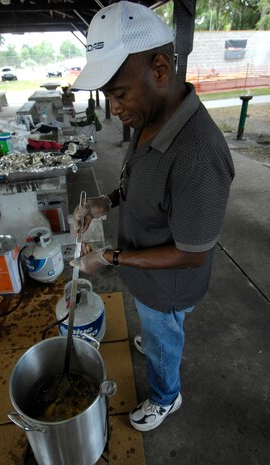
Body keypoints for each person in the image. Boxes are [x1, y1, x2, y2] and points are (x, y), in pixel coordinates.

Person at [71, 1, 235, 432]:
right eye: (108, 94)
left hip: (168, 285)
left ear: (159, 68)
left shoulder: (198, 154)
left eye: (119, 92)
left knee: (164, 335)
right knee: (157, 327)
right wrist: (104, 201)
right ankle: (159, 333)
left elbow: (191, 255)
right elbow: (139, 180)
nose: (115, 107)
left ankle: (166, 397)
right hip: (146, 277)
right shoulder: (149, 118)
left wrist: (109, 258)